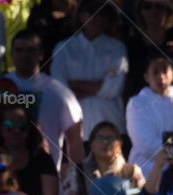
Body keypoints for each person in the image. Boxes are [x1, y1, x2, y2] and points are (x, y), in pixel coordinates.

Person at [0, 28, 85, 169]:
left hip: (45, 173)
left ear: (41, 54)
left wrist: (76, 177)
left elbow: (75, 141)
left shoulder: (60, 93)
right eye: (19, 50)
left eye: (30, 50)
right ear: (11, 54)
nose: (24, 55)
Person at [50, 0, 127, 137]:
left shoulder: (117, 48)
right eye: (92, 12)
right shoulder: (63, 48)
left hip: (110, 125)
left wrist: (74, 84)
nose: (97, 17)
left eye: (102, 13)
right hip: (73, 130)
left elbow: (114, 88)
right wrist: (99, 87)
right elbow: (60, 90)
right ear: (80, 16)